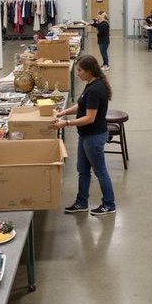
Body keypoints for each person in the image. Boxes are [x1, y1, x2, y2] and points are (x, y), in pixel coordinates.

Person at [52, 55, 116, 216]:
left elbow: (89, 118)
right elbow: (81, 104)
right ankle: (81, 202)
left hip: (93, 136)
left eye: (79, 70)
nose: (77, 73)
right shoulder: (91, 84)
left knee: (100, 171)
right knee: (82, 169)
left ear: (89, 71)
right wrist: (63, 112)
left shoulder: (95, 90)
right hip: (86, 135)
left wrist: (65, 124)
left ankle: (109, 204)